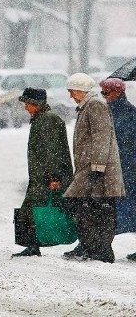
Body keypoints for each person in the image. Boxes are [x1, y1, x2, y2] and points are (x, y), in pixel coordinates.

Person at [62, 73, 125, 263]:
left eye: (72, 91)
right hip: (90, 170)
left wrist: (97, 168)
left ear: (81, 90)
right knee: (90, 211)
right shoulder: (88, 106)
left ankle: (100, 250)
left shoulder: (95, 105)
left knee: (97, 212)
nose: (71, 95)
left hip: (98, 172)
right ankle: (93, 247)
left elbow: (101, 138)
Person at [12, 88, 73, 257]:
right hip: (41, 176)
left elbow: (52, 151)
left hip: (46, 177)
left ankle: (33, 246)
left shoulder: (48, 120)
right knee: (31, 209)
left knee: (33, 209)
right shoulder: (41, 119)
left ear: (36, 104)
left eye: (27, 104)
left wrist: (55, 177)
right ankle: (32, 245)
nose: (25, 107)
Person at [100, 77, 136, 260]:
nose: (104, 96)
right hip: (120, 169)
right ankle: (99, 244)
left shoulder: (125, 114)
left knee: (112, 208)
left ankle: (100, 245)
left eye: (106, 93)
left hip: (125, 170)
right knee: (115, 208)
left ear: (117, 93)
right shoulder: (109, 112)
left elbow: (125, 143)